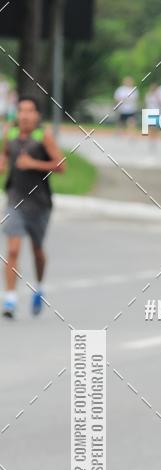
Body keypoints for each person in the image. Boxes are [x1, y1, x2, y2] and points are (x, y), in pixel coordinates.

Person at [1, 96, 65, 318]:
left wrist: (33, 164)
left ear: (37, 115)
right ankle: (9, 300)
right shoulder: (9, 133)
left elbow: (61, 165)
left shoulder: (43, 136)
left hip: (39, 203)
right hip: (15, 200)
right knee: (12, 250)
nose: (25, 115)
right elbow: (6, 156)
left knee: (37, 251)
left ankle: (39, 287)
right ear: (16, 114)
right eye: (21, 111)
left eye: (30, 111)